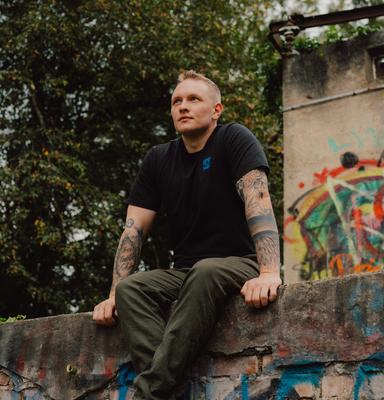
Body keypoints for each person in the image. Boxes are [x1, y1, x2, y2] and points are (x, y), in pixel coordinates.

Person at [93, 70, 282, 399]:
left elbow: (259, 202)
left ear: (216, 110)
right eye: (176, 101)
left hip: (241, 263)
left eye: (194, 99)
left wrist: (268, 272)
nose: (183, 106)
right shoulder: (159, 159)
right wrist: (113, 294)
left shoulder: (234, 138)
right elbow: (133, 231)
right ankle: (168, 389)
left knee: (205, 270)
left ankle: (148, 392)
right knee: (130, 289)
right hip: (186, 272)